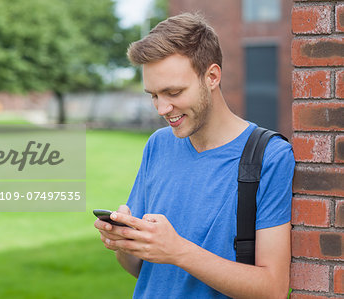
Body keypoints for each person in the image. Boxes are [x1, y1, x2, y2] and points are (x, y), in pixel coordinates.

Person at [94, 12, 294, 299]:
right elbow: (142, 268)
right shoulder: (158, 145)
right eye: (153, 95)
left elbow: (272, 289)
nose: (162, 109)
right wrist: (126, 242)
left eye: (173, 92)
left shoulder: (269, 156)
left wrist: (177, 251)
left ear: (212, 76)